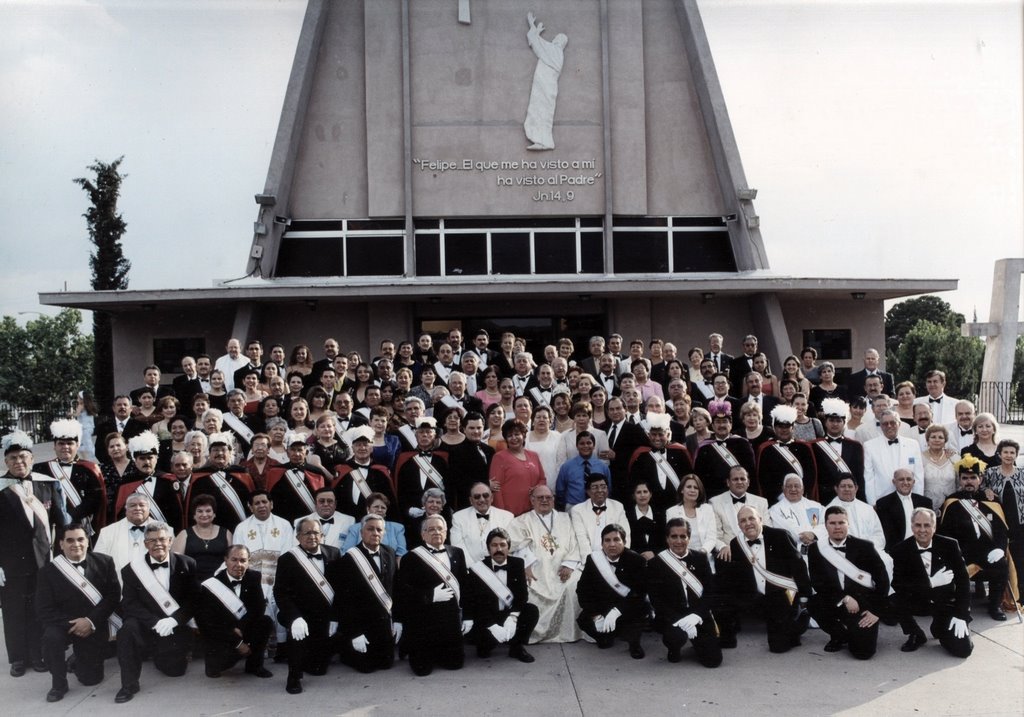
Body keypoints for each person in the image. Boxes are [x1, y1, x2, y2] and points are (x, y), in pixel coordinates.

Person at [1, 430, 66, 676]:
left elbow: (60, 523)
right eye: (14, 458)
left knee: (40, 610)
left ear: (32, 459)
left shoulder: (46, 484)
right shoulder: (1, 488)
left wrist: (61, 558)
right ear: (6, 462)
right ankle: (18, 658)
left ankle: (39, 655)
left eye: (24, 457)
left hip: (43, 561)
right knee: (14, 611)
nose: (19, 462)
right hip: (10, 564)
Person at [115, 522, 199, 703]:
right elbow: (129, 603)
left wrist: (174, 621)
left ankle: (155, 653)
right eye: (152, 541)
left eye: (162, 539)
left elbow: (194, 601)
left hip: (173, 625)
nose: (157, 544)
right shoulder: (131, 570)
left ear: (170, 541)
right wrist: (154, 621)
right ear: (145, 544)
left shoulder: (187, 564)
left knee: (174, 671)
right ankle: (128, 684)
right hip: (146, 624)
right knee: (127, 630)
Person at [35, 523, 120, 702]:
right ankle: (59, 683)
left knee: (90, 680)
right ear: (61, 544)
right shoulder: (47, 571)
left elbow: (113, 597)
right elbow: (44, 609)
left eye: (81, 539)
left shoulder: (105, 562)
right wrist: (75, 624)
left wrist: (90, 621)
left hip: (93, 624)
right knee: (51, 638)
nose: (76, 544)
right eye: (70, 540)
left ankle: (75, 661)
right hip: (63, 625)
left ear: (87, 541)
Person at [715, 505, 811, 653]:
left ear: (760, 520)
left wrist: (804, 596)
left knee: (779, 647)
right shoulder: (735, 543)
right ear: (739, 525)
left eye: (751, 518)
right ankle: (727, 638)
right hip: (755, 595)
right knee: (722, 599)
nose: (748, 523)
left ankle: (798, 624)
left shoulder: (780, 535)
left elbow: (798, 566)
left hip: (778, 594)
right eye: (743, 520)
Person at [807, 506, 890, 659]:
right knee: (813, 603)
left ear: (848, 524)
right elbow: (818, 583)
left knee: (863, 653)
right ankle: (839, 635)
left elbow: (883, 581)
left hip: (863, 604)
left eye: (841, 522)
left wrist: (876, 611)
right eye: (832, 523)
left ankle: (854, 634)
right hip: (836, 600)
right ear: (825, 525)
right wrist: (844, 598)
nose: (837, 527)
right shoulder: (816, 549)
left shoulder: (865, 547)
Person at [889, 507, 973, 657]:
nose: (922, 530)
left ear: (934, 527)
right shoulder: (900, 550)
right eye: (918, 525)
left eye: (927, 525)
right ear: (912, 526)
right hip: (918, 601)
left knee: (963, 650)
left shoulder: (950, 545)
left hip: (945, 602)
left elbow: (963, 581)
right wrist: (930, 582)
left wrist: (962, 614)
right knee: (893, 597)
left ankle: (940, 626)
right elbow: (899, 585)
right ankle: (915, 634)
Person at [938, 456, 1011, 621]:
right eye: (965, 478)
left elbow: (1001, 531)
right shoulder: (952, 502)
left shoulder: (992, 501)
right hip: (962, 551)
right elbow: (945, 534)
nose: (969, 481)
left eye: (973, 477)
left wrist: (999, 548)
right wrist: (954, 553)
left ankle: (995, 605)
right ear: (960, 480)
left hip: (988, 551)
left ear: (980, 479)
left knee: (1001, 564)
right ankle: (960, 603)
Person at [507, 485, 583, 642]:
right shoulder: (521, 521)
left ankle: (568, 633)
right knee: (528, 585)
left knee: (574, 584)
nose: (544, 500)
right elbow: (513, 546)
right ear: (532, 500)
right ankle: (532, 632)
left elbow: (575, 543)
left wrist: (569, 565)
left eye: (548, 497)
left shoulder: (565, 518)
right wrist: (525, 564)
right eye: (540, 497)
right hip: (535, 569)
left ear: (553, 500)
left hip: (562, 568)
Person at [396, 514, 469, 676]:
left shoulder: (457, 553)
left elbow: (465, 586)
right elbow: (404, 592)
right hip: (424, 623)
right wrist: (430, 595)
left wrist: (468, 616)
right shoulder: (411, 557)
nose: (436, 532)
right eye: (431, 529)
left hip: (450, 621)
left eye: (440, 528)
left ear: (446, 531)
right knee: (422, 671)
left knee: (455, 664)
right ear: (423, 535)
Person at [275, 517, 341, 694]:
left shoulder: (334, 554)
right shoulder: (287, 559)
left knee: (318, 669)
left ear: (322, 535)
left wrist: (335, 617)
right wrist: (295, 617)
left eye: (315, 532)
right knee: (297, 634)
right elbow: (280, 593)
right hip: (301, 614)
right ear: (298, 537)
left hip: (325, 615)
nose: (312, 536)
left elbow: (342, 589)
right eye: (307, 533)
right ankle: (293, 677)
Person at [647, 518, 723, 667]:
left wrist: (696, 616)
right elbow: (656, 599)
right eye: (674, 536)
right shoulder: (656, 563)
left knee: (713, 661)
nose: (679, 541)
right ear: (667, 539)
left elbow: (710, 592)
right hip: (673, 616)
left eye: (683, 536)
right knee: (675, 637)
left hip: (697, 614)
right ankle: (674, 649)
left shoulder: (700, 558)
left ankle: (698, 644)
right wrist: (681, 621)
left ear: (689, 538)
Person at [332, 513, 399, 673]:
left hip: (382, 623)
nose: (375, 533)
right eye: (370, 529)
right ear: (362, 533)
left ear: (383, 533)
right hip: (360, 624)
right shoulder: (349, 559)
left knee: (386, 664)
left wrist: (398, 620)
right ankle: (346, 645)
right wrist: (355, 633)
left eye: (379, 530)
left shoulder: (389, 552)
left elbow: (394, 589)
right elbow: (344, 601)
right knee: (366, 667)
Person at [195, 544, 273, 679]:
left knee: (265, 622)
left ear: (249, 561)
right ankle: (216, 662)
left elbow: (258, 608)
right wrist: (237, 641)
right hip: (223, 634)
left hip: (242, 628)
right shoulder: (211, 585)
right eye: (234, 560)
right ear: (225, 560)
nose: (239, 564)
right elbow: (208, 623)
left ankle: (254, 665)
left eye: (243, 560)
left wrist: (240, 628)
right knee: (220, 664)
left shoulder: (254, 577)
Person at [464, 527, 539, 663]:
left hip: (508, 614)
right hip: (487, 616)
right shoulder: (478, 569)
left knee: (531, 610)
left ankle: (516, 647)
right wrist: (492, 626)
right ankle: (488, 644)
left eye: (502, 545)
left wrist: (513, 617)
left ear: (508, 548)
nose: (498, 549)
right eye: (494, 545)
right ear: (488, 549)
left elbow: (522, 596)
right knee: (483, 648)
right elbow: (475, 603)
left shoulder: (517, 564)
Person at [576, 524, 647, 659]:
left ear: (624, 542)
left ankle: (634, 644)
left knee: (640, 612)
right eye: (607, 540)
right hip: (604, 608)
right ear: (602, 544)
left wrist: (617, 611)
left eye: (616, 540)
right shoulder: (594, 560)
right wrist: (595, 615)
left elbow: (639, 594)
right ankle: (607, 635)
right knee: (584, 621)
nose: (612, 544)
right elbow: (582, 590)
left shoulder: (637, 560)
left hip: (627, 608)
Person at [35, 418, 106, 536]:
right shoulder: (41, 469)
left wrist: (71, 515)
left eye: (70, 443)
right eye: (61, 443)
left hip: (80, 525)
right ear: (54, 446)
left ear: (77, 445)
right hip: (51, 525)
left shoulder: (89, 469)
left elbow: (95, 499)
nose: (65, 447)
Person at [185, 431, 254, 533]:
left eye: (223, 450)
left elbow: (251, 504)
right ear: (209, 454)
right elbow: (192, 508)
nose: (220, 453)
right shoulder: (198, 476)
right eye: (215, 450)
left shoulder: (242, 474)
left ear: (230, 453)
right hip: (210, 530)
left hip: (240, 528)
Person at [114, 431, 183, 530]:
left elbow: (177, 514)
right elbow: (121, 515)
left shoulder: (168, 481)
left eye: (150, 458)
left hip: (164, 534)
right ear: (135, 460)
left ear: (156, 459)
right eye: (142, 458)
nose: (146, 462)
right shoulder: (125, 484)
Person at [628, 413, 693, 515]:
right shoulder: (640, 455)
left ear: (667, 434)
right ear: (649, 435)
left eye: (660, 434)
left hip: (677, 506)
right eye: (653, 434)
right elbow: (635, 483)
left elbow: (688, 478)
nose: (657, 438)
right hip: (651, 508)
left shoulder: (680, 452)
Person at [756, 405, 819, 505]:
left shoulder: (804, 447)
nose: (784, 430)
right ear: (774, 427)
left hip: (802, 498)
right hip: (776, 501)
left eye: (787, 426)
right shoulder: (766, 449)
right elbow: (764, 478)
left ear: (793, 427)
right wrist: (780, 496)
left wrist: (800, 494)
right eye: (780, 426)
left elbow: (811, 475)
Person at [332, 425, 397, 521]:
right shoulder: (342, 471)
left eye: (365, 444)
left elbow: (390, 503)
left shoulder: (381, 472)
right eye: (358, 445)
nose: (362, 448)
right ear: (352, 448)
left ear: (371, 448)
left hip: (375, 523)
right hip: (347, 521)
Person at [692, 400, 755, 498]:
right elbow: (700, 479)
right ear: (712, 426)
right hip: (714, 497)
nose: (721, 425)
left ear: (731, 424)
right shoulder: (704, 448)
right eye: (718, 422)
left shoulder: (743, 444)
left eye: (725, 422)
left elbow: (751, 474)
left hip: (741, 496)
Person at [265, 432, 330, 523]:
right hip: (285, 519)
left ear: (306, 452)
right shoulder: (275, 472)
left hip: (312, 520)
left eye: (300, 450)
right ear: (287, 452)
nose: (297, 454)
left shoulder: (316, 472)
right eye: (293, 450)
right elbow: (271, 499)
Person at [811, 398, 866, 505]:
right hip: (824, 499)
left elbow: (859, 477)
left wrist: (862, 500)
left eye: (838, 421)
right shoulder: (814, 445)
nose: (835, 424)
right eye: (831, 420)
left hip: (850, 499)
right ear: (825, 422)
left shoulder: (855, 446)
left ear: (844, 423)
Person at [863, 410, 924, 505]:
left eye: (892, 422)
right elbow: (869, 478)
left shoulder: (913, 444)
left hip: (908, 499)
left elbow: (918, 475)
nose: (889, 426)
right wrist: (872, 503)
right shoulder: (869, 446)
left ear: (899, 424)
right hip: (882, 499)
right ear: (881, 426)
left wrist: (918, 500)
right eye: (885, 424)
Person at [170, 494, 233, 581]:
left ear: (214, 514)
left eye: (208, 511)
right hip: (192, 583)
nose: (204, 514)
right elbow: (176, 563)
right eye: (199, 511)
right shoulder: (184, 534)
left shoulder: (226, 533)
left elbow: (233, 559)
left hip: (221, 582)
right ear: (194, 515)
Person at [490, 420, 546, 516]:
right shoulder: (499, 457)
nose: (513, 438)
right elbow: (496, 489)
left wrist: (536, 488)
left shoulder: (534, 455)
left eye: (517, 434)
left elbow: (542, 479)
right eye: (509, 435)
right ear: (506, 439)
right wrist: (502, 515)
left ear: (524, 436)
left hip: (533, 511)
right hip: (510, 512)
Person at [450, 481, 515, 564]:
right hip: (470, 569)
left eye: (485, 495)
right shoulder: (458, 517)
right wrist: (475, 568)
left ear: (491, 498)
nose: (482, 499)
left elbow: (512, 546)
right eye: (477, 497)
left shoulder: (507, 517)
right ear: (471, 500)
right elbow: (457, 546)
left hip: (500, 567)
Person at [875, 468, 934, 551]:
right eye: (901, 479)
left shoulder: (925, 502)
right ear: (894, 482)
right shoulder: (884, 503)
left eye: (909, 479)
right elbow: (887, 534)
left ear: (913, 482)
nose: (905, 483)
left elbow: (931, 529)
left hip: (922, 548)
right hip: (898, 550)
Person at [571, 473, 630, 554]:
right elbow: (582, 540)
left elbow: (625, 535)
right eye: (595, 487)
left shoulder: (618, 506)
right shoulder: (577, 510)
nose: (600, 490)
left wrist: (621, 557)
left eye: (603, 487)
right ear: (588, 491)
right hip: (590, 558)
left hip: (615, 556)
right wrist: (591, 562)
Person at [340, 492, 408, 558]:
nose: (380, 510)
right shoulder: (355, 528)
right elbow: (347, 552)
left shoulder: (397, 528)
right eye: (376, 507)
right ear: (368, 509)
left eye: (383, 508)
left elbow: (401, 554)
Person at [665, 474, 717, 557]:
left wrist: (701, 553)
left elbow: (712, 537)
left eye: (696, 488)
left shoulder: (707, 509)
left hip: (704, 556)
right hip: (680, 557)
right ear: (682, 490)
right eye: (689, 487)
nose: (692, 490)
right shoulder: (671, 512)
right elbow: (672, 539)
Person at [625, 481, 664, 559]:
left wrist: (654, 553)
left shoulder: (660, 515)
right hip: (635, 561)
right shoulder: (626, 516)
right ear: (634, 496)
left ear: (650, 494)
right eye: (639, 492)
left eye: (645, 492)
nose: (642, 495)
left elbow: (664, 541)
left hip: (657, 560)